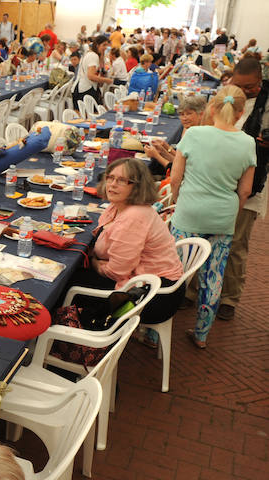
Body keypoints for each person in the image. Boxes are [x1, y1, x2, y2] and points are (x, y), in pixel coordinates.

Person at [169, 86, 255, 348]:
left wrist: (176, 201)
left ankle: (154, 331)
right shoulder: (247, 142)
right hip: (222, 216)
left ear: (211, 109)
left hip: (190, 211)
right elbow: (245, 190)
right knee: (213, 276)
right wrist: (231, 213)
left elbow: (175, 178)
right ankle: (202, 334)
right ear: (241, 113)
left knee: (174, 274)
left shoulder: (194, 134)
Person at [70, 159, 184, 329]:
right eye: (110, 178)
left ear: (137, 186)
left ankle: (66, 339)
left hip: (153, 295)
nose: (113, 184)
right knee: (73, 269)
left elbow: (117, 271)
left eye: (122, 180)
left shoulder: (134, 216)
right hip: (145, 281)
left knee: (66, 283)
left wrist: (94, 263)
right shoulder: (118, 206)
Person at [213, 57, 269, 320]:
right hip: (219, 180)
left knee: (236, 244)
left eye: (249, 87)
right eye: (238, 85)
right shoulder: (226, 93)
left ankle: (230, 298)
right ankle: (196, 292)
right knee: (206, 238)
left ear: (259, 81)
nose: (243, 91)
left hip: (250, 186)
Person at [144, 95, 207, 171]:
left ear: (201, 114)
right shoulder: (193, 130)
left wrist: (157, 156)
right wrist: (164, 149)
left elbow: (182, 170)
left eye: (189, 114)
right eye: (181, 114)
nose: (184, 118)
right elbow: (180, 161)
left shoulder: (199, 137)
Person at [72, 35, 111, 110]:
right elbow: (91, 76)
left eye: (107, 45)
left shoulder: (93, 54)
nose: (106, 47)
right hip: (85, 89)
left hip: (86, 88)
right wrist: (107, 80)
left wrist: (102, 57)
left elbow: (100, 71)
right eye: (104, 45)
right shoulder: (93, 56)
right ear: (97, 45)